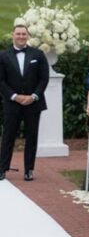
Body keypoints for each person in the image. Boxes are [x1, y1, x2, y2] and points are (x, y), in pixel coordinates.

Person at [0, 23, 50, 182]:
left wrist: (33, 96)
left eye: (24, 34)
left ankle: (29, 169)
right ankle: (2, 169)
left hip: (33, 103)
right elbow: (1, 81)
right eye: (18, 34)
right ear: (12, 35)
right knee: (8, 137)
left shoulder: (38, 54)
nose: (21, 36)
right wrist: (15, 96)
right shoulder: (3, 55)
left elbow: (44, 78)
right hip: (12, 103)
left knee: (32, 137)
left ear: (27, 36)